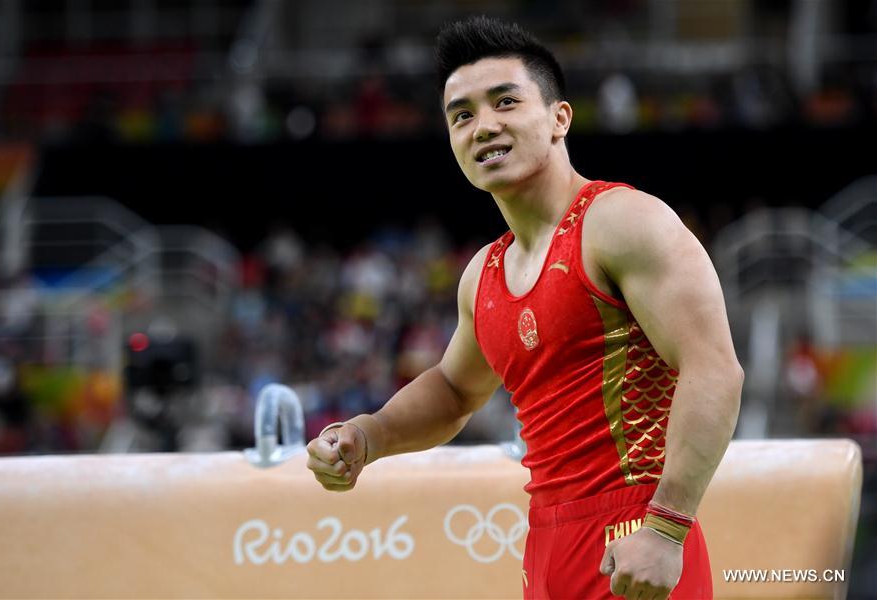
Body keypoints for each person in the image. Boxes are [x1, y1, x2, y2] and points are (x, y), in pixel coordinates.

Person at [306, 16, 743, 600]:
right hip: (545, 547)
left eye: (505, 102)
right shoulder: (482, 274)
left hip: (635, 532)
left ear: (560, 118)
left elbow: (714, 368)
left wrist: (666, 528)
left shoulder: (621, 222)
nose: (483, 126)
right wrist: (369, 435)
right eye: (461, 115)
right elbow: (455, 391)